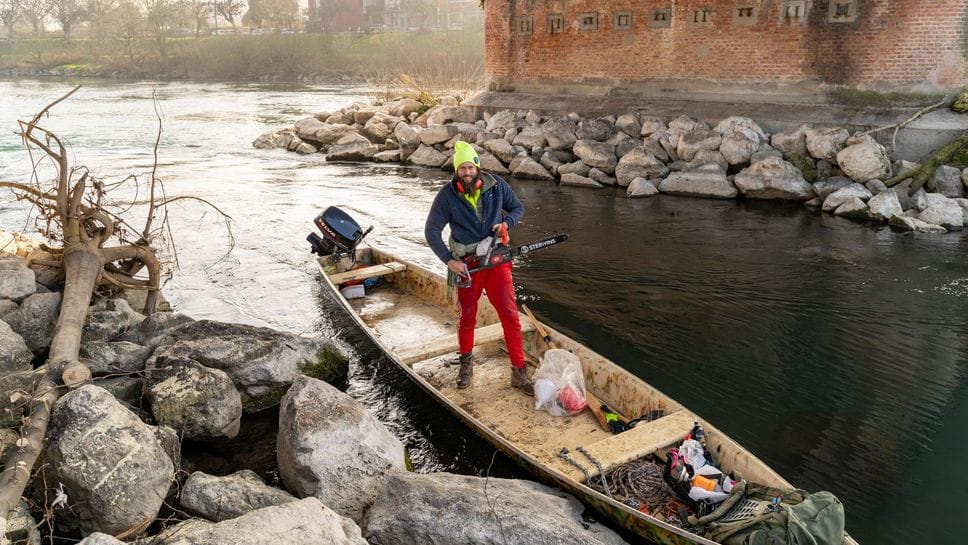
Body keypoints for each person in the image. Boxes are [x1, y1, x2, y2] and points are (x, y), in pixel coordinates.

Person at [424, 141, 534, 395]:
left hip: (497, 261)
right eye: (461, 168)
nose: (467, 172)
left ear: (477, 166)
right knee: (467, 318)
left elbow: (518, 208)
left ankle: (518, 371)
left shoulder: (497, 186)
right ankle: (466, 366)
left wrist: (506, 223)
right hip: (467, 267)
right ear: (455, 170)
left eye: (470, 167)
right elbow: (431, 232)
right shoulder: (446, 196)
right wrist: (449, 260)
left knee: (510, 315)